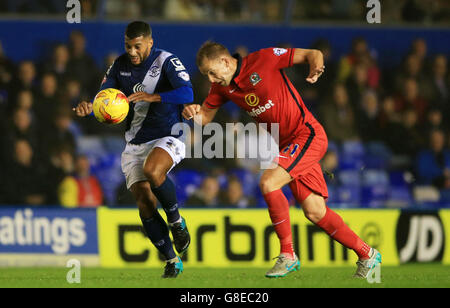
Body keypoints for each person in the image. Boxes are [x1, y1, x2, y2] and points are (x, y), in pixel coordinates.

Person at [182, 41, 381, 278]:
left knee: (268, 182)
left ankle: (288, 254)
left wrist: (315, 69)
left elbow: (312, 54)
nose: (211, 80)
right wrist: (193, 112)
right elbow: (204, 118)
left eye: (212, 73)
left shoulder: (263, 59)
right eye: (207, 75)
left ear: (225, 62)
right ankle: (367, 254)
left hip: (307, 134)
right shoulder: (221, 88)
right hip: (288, 146)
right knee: (315, 211)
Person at [73, 21, 193, 278]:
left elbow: (187, 92)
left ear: (150, 42)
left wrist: (155, 97)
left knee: (153, 170)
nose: (132, 51)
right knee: (144, 202)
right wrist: (91, 107)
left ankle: (176, 222)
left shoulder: (167, 61)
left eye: (137, 46)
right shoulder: (119, 65)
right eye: (128, 45)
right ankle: (172, 260)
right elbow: (105, 95)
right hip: (135, 142)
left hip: (169, 134)